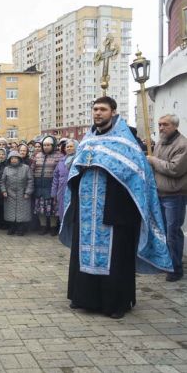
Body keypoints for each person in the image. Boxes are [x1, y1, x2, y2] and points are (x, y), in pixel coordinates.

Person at [60, 96, 173, 319]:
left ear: (113, 112)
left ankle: (116, 303)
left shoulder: (126, 141)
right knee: (84, 252)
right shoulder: (87, 140)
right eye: (95, 109)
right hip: (87, 210)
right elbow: (75, 171)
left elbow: (138, 175)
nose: (98, 113)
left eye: (102, 109)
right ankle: (83, 297)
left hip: (116, 209)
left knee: (116, 257)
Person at [148, 114, 187, 282]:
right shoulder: (160, 143)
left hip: (175, 195)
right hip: (160, 194)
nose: (161, 128)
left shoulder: (183, 144)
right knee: (162, 232)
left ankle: (176, 268)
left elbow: (175, 169)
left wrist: (153, 160)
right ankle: (166, 263)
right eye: (159, 124)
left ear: (175, 126)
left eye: (165, 125)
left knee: (172, 233)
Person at [31, 136, 63, 235]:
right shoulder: (37, 155)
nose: (46, 147)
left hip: (52, 185)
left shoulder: (59, 156)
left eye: (48, 145)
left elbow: (60, 171)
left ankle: (53, 227)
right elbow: (32, 169)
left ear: (53, 145)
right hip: (39, 184)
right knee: (40, 208)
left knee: (53, 208)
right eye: (44, 145)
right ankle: (43, 226)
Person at [0, 152, 34, 236]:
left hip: (22, 194)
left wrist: (27, 192)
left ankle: (20, 229)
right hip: (10, 194)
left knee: (22, 212)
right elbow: (2, 181)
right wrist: (4, 191)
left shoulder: (26, 168)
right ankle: (12, 228)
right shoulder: (6, 169)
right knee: (10, 212)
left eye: (15, 158)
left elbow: (30, 181)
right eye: (12, 158)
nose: (14, 160)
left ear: (19, 159)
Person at [51, 139, 79, 222]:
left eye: (71, 146)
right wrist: (54, 192)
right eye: (67, 147)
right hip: (61, 191)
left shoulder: (79, 160)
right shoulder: (61, 161)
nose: (69, 148)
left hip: (74, 191)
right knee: (62, 212)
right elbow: (56, 177)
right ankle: (64, 232)